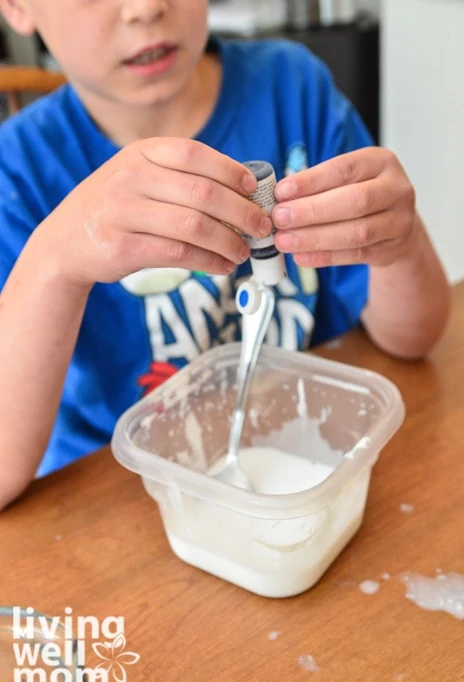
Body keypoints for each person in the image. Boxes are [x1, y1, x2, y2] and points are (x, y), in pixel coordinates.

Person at [0, 0, 450, 511]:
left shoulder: (292, 89)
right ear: (16, 7)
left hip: (309, 449)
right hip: (120, 499)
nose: (146, 8)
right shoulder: (15, 175)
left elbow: (414, 339)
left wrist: (401, 242)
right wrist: (56, 258)